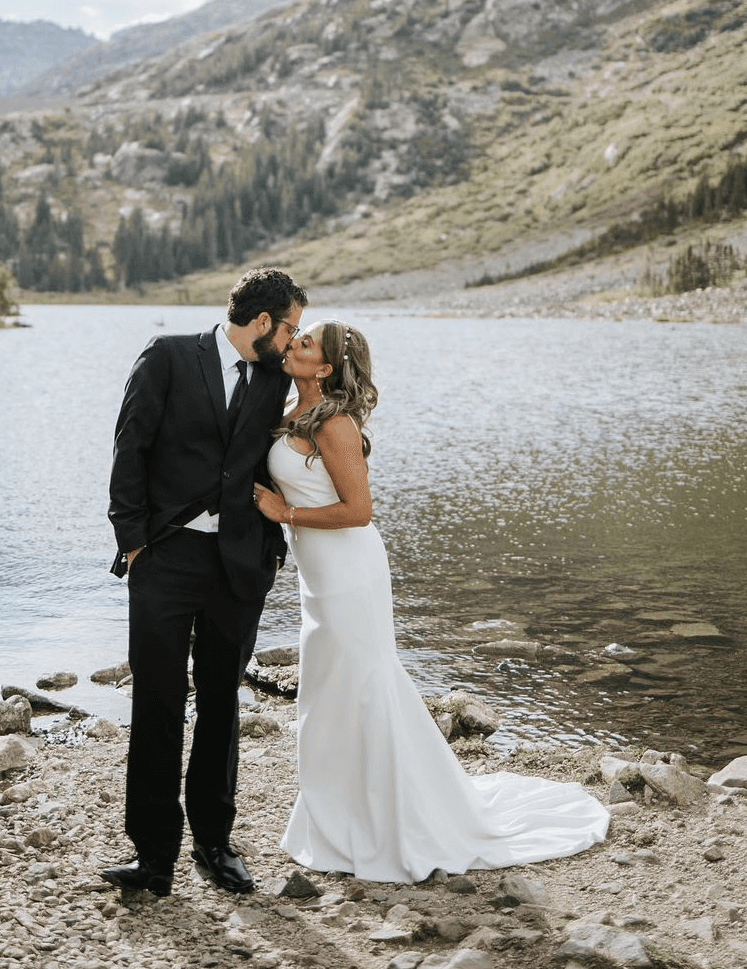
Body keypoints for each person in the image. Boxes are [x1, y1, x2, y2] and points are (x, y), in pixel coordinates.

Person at [254, 320, 610, 883]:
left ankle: (389, 823)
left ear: (324, 368)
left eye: (306, 342)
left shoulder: (336, 424)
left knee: (361, 690)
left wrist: (285, 514)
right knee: (327, 693)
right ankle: (336, 818)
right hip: (319, 577)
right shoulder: (290, 409)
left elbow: (359, 510)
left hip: (349, 572)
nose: (293, 343)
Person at [104, 267, 308, 897]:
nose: (295, 339)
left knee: (222, 703)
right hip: (163, 561)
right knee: (158, 702)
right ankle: (154, 854)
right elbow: (129, 450)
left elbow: (282, 461)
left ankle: (215, 845)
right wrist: (134, 544)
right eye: (292, 327)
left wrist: (269, 552)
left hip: (236, 568)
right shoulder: (168, 357)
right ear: (264, 321)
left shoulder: (275, 379)